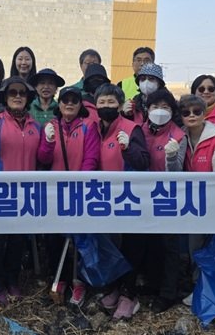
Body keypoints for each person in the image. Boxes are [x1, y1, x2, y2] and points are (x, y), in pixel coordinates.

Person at [0, 77, 41, 305]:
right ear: (5, 96)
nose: (18, 97)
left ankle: (12, 279)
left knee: (17, 241)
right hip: (0, 192)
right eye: (13, 92)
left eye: (22, 93)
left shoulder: (35, 126)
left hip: (25, 192)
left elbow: (42, 157)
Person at [36, 86, 100, 305]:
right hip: (56, 191)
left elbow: (91, 158)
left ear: (80, 104)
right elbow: (43, 159)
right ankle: (59, 278)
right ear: (59, 103)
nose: (69, 104)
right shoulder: (51, 126)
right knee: (54, 237)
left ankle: (79, 281)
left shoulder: (88, 127)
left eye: (74, 100)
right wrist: (48, 142)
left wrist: (80, 183)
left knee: (79, 238)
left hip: (79, 190)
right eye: (65, 100)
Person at [94, 83, 150, 321]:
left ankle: (129, 294)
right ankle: (115, 288)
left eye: (111, 101)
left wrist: (127, 148)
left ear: (119, 105)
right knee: (111, 246)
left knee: (130, 245)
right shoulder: (95, 128)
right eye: (102, 102)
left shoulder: (131, 128)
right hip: (103, 198)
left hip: (128, 198)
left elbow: (143, 161)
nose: (106, 106)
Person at [178, 94, 215, 306]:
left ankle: (213, 294)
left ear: (204, 114)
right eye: (186, 112)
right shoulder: (181, 139)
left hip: (212, 205)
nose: (191, 116)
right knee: (194, 250)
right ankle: (200, 289)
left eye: (197, 111)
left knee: (211, 250)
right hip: (191, 205)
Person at [141, 88, 188, 313]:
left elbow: (177, 170)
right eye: (155, 106)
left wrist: (171, 155)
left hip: (168, 197)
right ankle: (152, 283)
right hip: (143, 196)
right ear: (147, 109)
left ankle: (168, 292)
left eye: (165, 107)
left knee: (170, 245)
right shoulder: (140, 130)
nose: (159, 111)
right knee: (150, 242)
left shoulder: (178, 135)